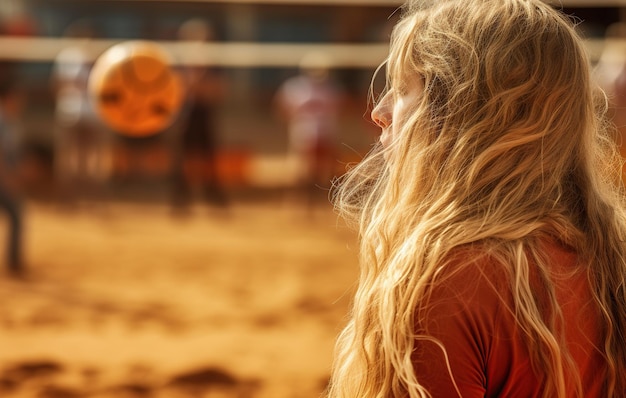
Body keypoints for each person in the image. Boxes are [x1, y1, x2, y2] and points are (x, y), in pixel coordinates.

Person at [327, 1, 626, 397]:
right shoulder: (611, 256)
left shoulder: (448, 277)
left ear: (460, 113)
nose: (379, 112)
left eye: (401, 89)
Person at [170, 18, 228, 210]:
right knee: (182, 158)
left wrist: (198, 83)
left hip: (204, 114)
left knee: (208, 158)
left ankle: (213, 197)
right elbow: (178, 90)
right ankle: (181, 199)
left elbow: (216, 91)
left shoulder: (213, 65)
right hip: (185, 115)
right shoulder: (179, 63)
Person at [275, 51, 344, 209]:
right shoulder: (294, 88)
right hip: (304, 134)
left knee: (324, 170)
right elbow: (282, 109)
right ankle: (297, 202)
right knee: (301, 170)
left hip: (325, 133)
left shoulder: (331, 89)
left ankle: (319, 202)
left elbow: (339, 110)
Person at [0, 74, 24, 277]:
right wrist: (7, 177)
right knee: (16, 216)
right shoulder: (3, 120)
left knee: (16, 216)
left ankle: (14, 262)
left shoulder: (10, 120)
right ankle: (14, 262)